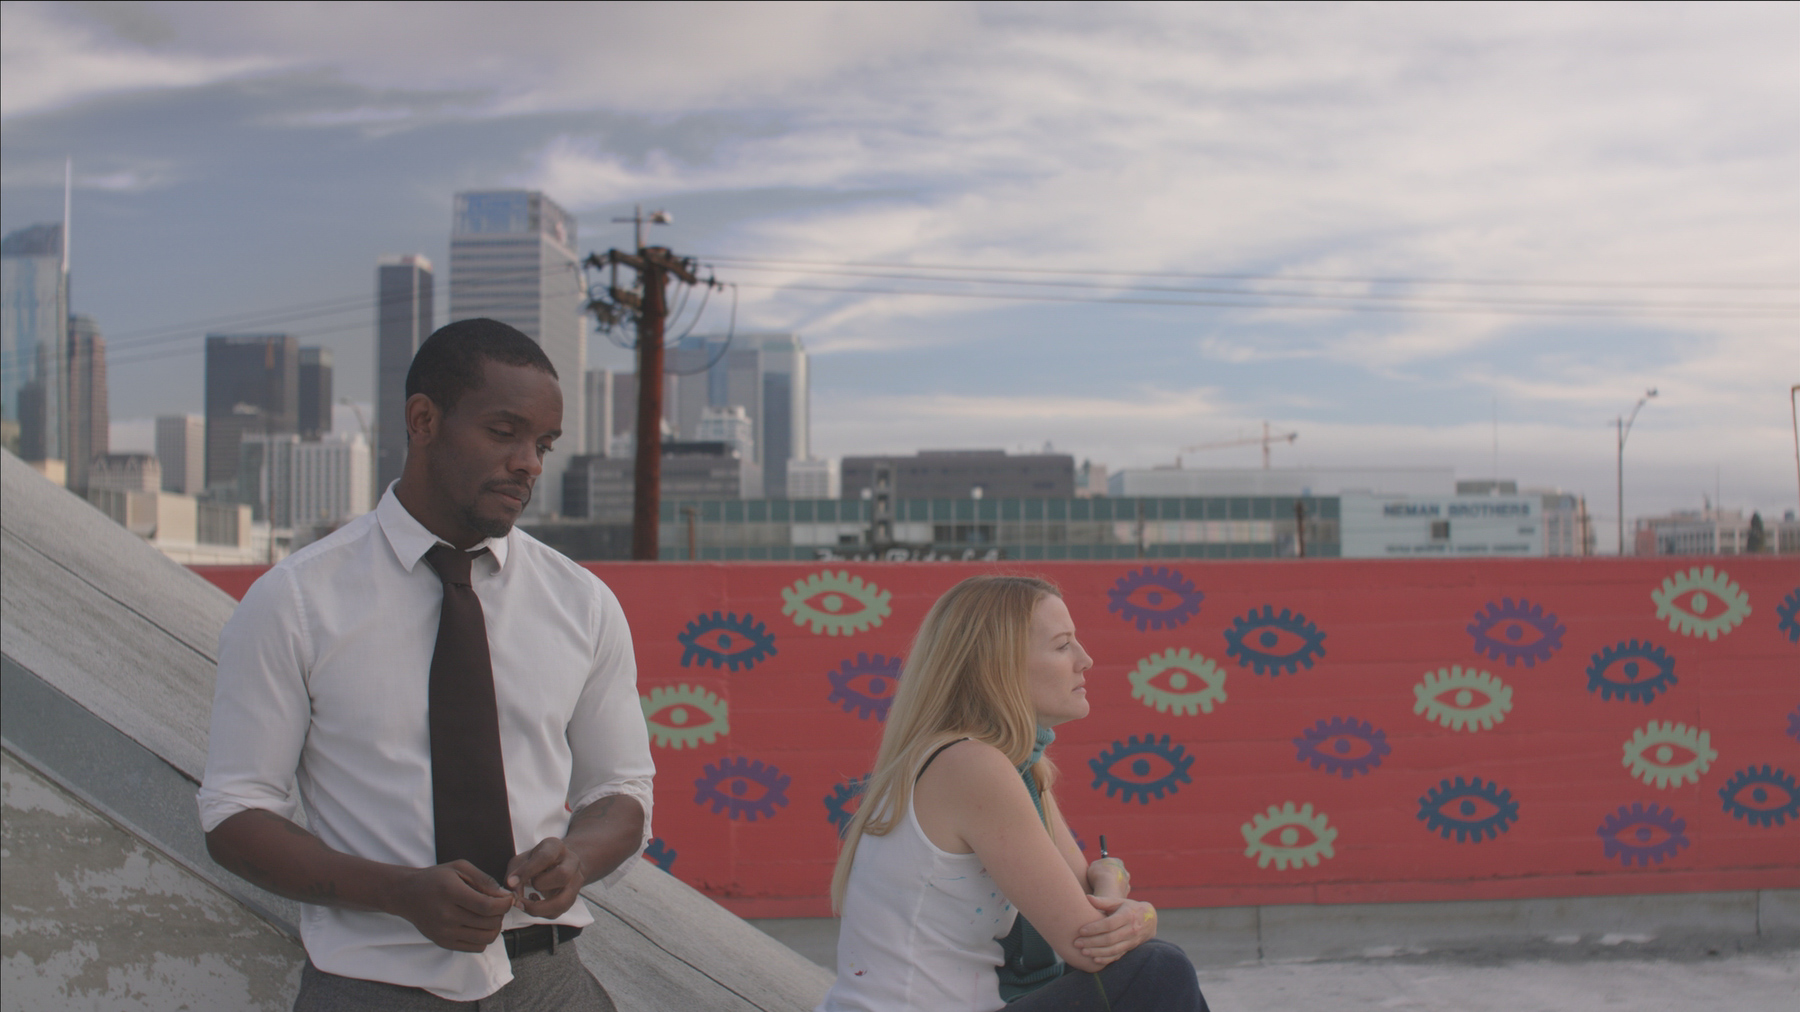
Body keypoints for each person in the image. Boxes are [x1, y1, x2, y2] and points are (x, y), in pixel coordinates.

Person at [197, 318, 653, 1010]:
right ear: (422, 420)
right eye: (505, 433)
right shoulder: (295, 601)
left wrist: (580, 858)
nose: (530, 462)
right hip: (372, 985)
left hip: (548, 981)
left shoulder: (581, 604)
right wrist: (400, 893)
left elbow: (623, 790)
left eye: (544, 444)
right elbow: (235, 814)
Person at [820, 575, 1208, 1012]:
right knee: (1158, 970)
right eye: (1063, 645)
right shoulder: (970, 766)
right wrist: (1137, 909)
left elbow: (1087, 909)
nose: (1086, 659)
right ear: (999, 664)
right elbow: (1090, 942)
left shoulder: (1012, 767)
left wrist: (1112, 886)